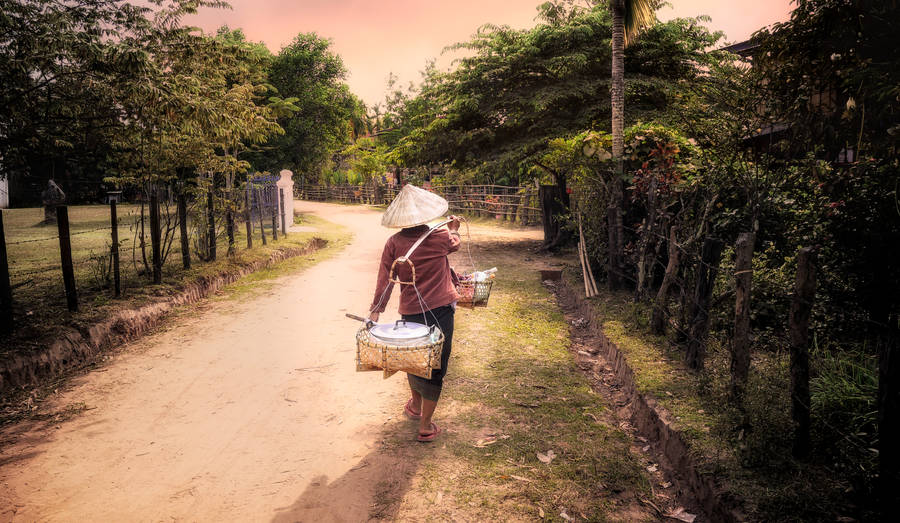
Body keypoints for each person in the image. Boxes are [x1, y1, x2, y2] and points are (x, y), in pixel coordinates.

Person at [368, 184, 461, 442]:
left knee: (414, 359)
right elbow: (455, 243)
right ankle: (426, 425)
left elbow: (384, 280)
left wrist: (376, 310)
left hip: (410, 313)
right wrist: (453, 228)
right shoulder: (440, 237)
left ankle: (416, 405)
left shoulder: (393, 243)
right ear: (425, 213)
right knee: (436, 364)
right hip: (440, 310)